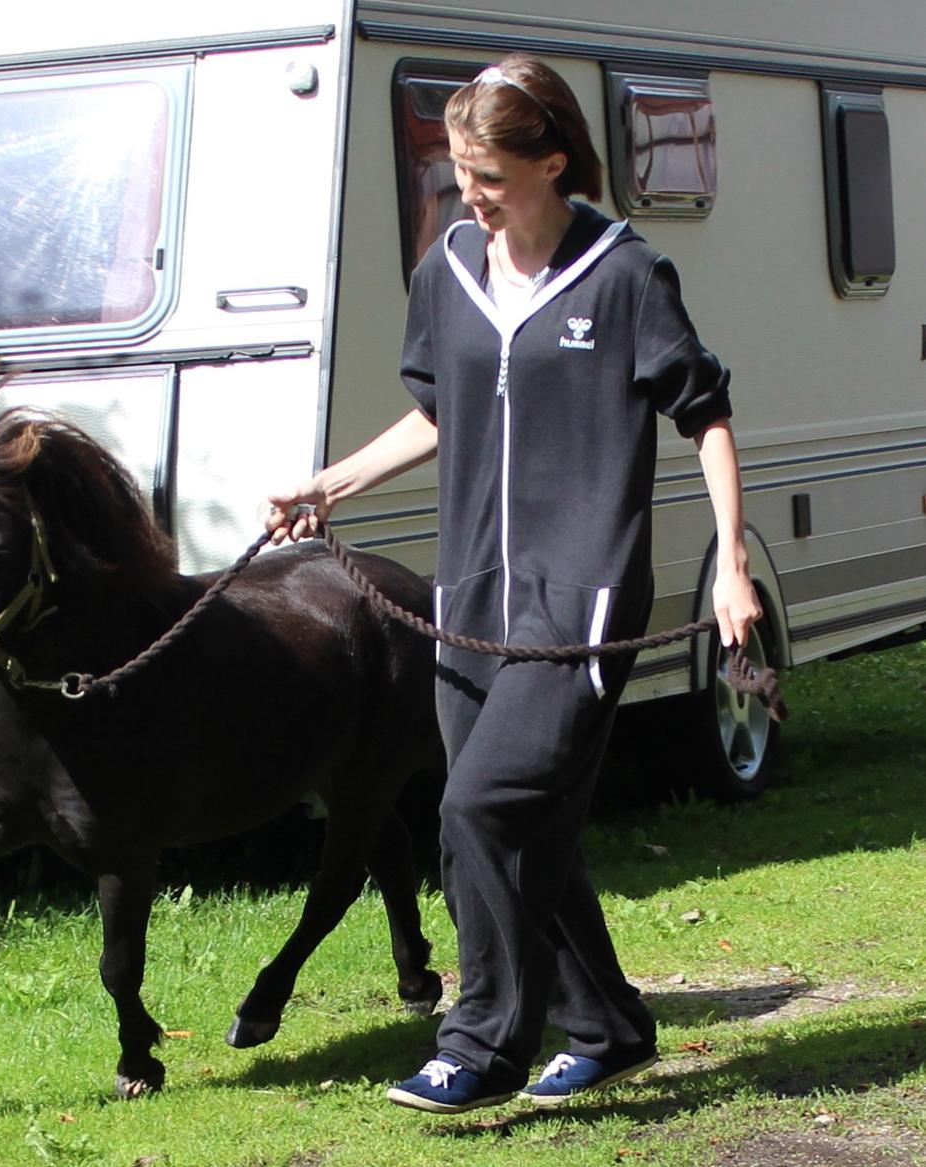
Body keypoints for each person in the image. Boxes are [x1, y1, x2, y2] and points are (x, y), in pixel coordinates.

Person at [267, 53, 761, 1115]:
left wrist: (731, 561)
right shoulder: (445, 268)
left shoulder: (624, 276)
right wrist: (329, 485)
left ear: (551, 161)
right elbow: (443, 408)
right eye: (456, 170)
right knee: (522, 824)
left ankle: (484, 1038)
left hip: (578, 607)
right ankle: (611, 1025)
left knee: (481, 811)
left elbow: (705, 414)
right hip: (472, 601)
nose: (467, 193)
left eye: (486, 173)